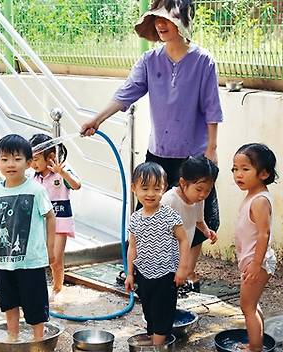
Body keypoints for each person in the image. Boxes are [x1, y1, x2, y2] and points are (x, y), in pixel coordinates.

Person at [79, 0, 223, 288]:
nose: (160, 25)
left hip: (193, 158)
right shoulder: (149, 61)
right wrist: (97, 119)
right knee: (149, 213)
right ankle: (144, 272)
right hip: (158, 154)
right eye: (156, 19)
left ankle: (186, 276)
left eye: (166, 19)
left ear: (182, 22)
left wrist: (212, 148)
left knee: (198, 216)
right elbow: (126, 93)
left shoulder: (203, 61)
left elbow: (211, 107)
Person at [0, 134, 55, 340]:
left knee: (35, 302)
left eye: (17, 159)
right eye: (4, 159)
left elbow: (50, 217)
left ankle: (38, 339)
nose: (10, 164)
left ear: (29, 163)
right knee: (9, 301)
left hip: (31, 261)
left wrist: (50, 249)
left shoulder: (36, 190)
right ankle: (13, 337)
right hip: (4, 263)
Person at [124, 162, 191, 345]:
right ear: (134, 189)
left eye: (156, 188)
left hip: (166, 274)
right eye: (144, 188)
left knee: (163, 309)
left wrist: (183, 269)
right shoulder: (136, 218)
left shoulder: (170, 215)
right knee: (148, 308)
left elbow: (184, 240)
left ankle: (158, 346)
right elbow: (132, 246)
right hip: (144, 273)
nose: (150, 194)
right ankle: (154, 337)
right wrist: (130, 273)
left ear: (165, 189)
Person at [231, 143, 278, 352]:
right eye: (235, 169)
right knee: (252, 304)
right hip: (252, 261)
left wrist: (255, 263)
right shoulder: (252, 194)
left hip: (256, 262)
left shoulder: (259, 201)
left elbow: (263, 234)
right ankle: (257, 339)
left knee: (247, 306)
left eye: (245, 169)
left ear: (264, 173)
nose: (238, 174)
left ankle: (255, 347)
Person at [29, 133, 81, 301]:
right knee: (37, 259)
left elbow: (77, 185)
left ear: (50, 156)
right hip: (41, 224)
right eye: (31, 159)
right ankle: (38, 288)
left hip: (60, 222)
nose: (33, 163)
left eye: (36, 159)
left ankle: (58, 289)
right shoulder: (33, 178)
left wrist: (62, 172)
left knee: (55, 260)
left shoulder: (61, 172)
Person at [161, 155, 219, 290]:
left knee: (175, 284)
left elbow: (199, 220)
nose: (203, 195)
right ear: (183, 183)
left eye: (208, 190)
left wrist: (206, 230)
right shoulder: (169, 201)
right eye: (199, 189)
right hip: (165, 254)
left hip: (182, 251)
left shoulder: (198, 200)